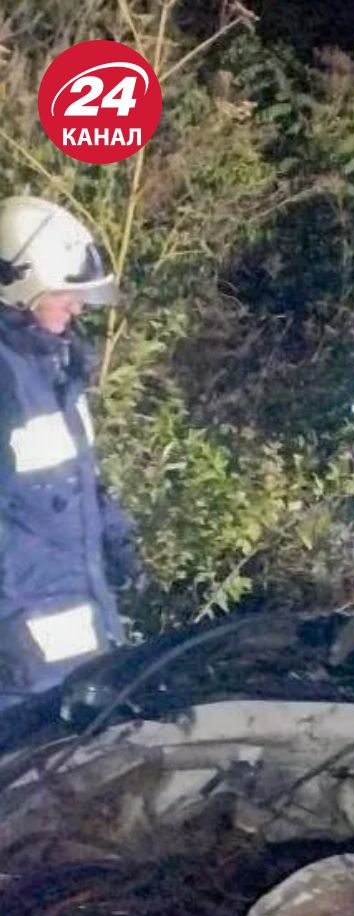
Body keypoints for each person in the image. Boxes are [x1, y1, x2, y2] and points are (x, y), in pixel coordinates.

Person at [0, 194, 139, 705]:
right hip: (18, 672)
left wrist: (115, 534)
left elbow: (79, 478)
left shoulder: (53, 369)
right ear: (22, 286)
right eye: (66, 293)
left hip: (80, 652)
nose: (78, 307)